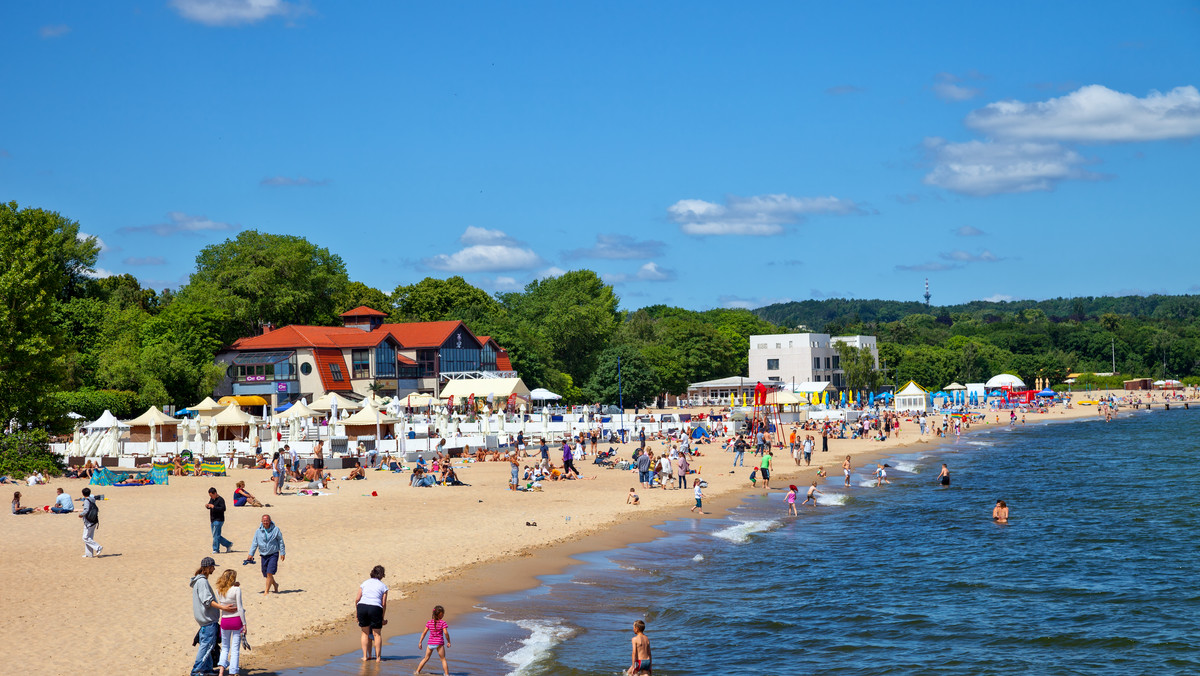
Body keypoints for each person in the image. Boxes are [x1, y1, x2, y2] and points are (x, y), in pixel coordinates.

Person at [191, 557, 235, 676]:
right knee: (206, 647)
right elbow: (207, 601)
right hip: (208, 621)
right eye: (213, 567)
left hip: (206, 621)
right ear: (207, 568)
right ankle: (196, 671)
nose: (214, 569)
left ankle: (207, 670)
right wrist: (223, 608)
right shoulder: (202, 582)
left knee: (209, 647)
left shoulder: (199, 581)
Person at [214, 568, 247, 676]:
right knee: (235, 648)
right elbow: (240, 608)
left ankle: (221, 671)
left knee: (225, 647)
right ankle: (232, 672)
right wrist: (244, 624)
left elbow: (222, 604)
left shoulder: (219, 590)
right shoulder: (237, 590)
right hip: (236, 619)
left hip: (225, 620)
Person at [245, 514, 286, 595]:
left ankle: (266, 591)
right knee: (266, 573)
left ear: (270, 521)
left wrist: (282, 552)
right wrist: (251, 554)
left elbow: (280, 541)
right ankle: (275, 584)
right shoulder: (258, 531)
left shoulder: (276, 529)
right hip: (263, 554)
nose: (265, 522)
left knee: (269, 572)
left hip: (273, 553)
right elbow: (254, 543)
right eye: (264, 521)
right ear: (261, 521)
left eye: (267, 521)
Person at [355, 565, 388, 662]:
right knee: (377, 634)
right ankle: (378, 658)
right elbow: (383, 603)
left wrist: (357, 613)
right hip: (375, 607)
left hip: (362, 606)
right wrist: (382, 618)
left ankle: (365, 657)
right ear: (382, 575)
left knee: (364, 633)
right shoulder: (383, 586)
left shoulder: (364, 583)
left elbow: (357, 599)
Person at [415, 605, 451, 676]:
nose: (443, 615)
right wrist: (449, 641)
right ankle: (446, 674)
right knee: (443, 659)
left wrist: (420, 642)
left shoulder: (429, 622)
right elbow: (446, 632)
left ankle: (417, 672)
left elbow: (424, 633)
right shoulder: (443, 623)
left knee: (426, 658)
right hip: (439, 643)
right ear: (440, 614)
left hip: (430, 643)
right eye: (443, 614)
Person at [207, 487, 234, 554]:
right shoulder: (212, 499)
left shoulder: (221, 499)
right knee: (216, 535)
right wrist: (208, 506)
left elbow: (223, 508)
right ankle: (228, 544)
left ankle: (216, 549)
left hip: (219, 520)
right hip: (212, 519)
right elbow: (210, 505)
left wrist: (214, 507)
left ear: (215, 493)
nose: (210, 497)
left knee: (216, 535)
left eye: (211, 495)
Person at [79, 487, 102, 557]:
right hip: (94, 520)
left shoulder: (86, 501)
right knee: (89, 537)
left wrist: (81, 514)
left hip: (89, 521)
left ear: (83, 494)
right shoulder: (92, 499)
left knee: (85, 538)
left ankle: (98, 547)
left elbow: (86, 510)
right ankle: (89, 554)